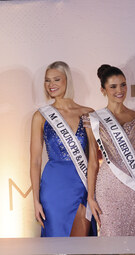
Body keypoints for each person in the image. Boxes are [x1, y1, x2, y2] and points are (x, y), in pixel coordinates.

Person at [83, 65, 135, 236]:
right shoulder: (93, 119)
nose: (120, 90)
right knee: (111, 236)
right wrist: (91, 197)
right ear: (103, 90)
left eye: (123, 85)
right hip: (108, 187)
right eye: (113, 86)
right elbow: (93, 162)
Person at [30, 61, 96, 237]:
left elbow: (94, 158)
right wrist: (35, 200)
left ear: (67, 80)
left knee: (81, 245)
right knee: (56, 243)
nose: (51, 85)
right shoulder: (41, 116)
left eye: (56, 79)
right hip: (53, 188)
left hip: (82, 185)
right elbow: (35, 161)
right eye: (47, 80)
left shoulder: (88, 113)